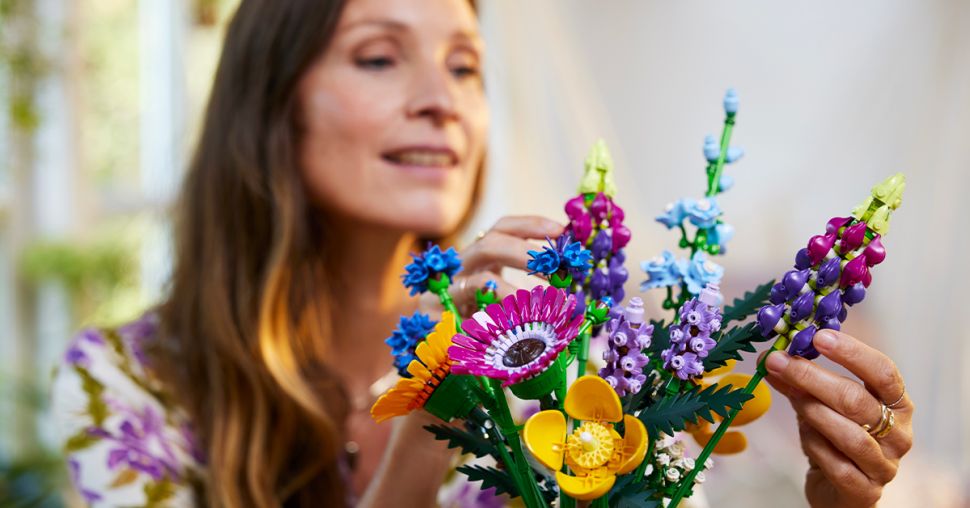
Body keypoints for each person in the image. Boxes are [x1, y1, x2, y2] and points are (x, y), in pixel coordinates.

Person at [50, 0, 914, 506]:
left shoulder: (575, 369)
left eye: (465, 66)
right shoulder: (125, 389)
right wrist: (440, 399)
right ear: (273, 106)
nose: (442, 101)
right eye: (381, 57)